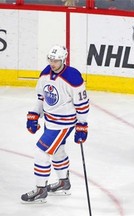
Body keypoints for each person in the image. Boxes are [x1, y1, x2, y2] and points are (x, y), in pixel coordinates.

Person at [21, 45, 90, 203]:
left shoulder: (73, 77)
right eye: (50, 59)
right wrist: (34, 115)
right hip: (49, 121)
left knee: (41, 152)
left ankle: (40, 190)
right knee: (58, 151)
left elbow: (83, 104)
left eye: (56, 60)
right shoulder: (45, 72)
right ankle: (63, 183)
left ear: (63, 59)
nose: (52, 63)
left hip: (63, 124)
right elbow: (41, 96)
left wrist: (82, 126)